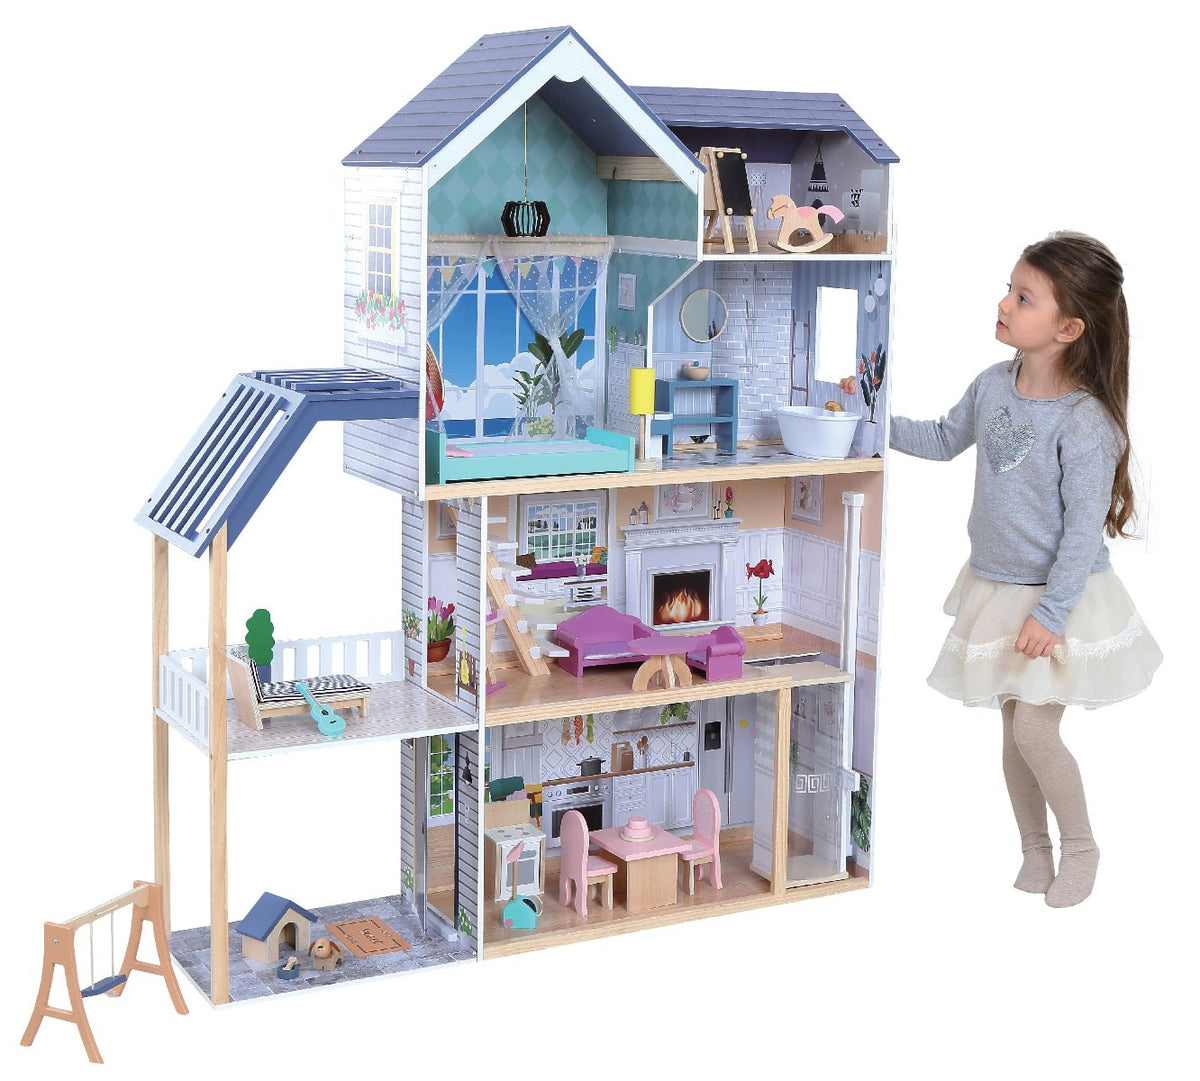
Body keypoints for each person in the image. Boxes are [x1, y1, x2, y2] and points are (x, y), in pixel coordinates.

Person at [880, 232, 1163, 907]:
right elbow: (944, 439)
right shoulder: (991, 385)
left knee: (1035, 728)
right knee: (1013, 732)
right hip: (999, 588)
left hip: (1058, 598)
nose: (1004, 302)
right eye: (1010, 288)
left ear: (1068, 328)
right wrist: (871, 419)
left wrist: (1051, 614)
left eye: (1023, 296)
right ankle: (1035, 851)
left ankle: (1083, 847)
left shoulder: (1085, 423)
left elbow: (1078, 531)